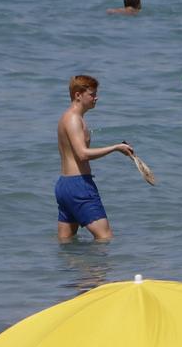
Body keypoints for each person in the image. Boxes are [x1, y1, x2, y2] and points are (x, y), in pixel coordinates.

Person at [55, 75, 134, 243]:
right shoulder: (73, 119)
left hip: (64, 186)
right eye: (92, 94)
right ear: (78, 95)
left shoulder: (67, 118)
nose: (96, 97)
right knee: (105, 239)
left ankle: (74, 269)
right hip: (79, 186)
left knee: (66, 244)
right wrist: (115, 148)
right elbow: (82, 154)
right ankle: (98, 270)